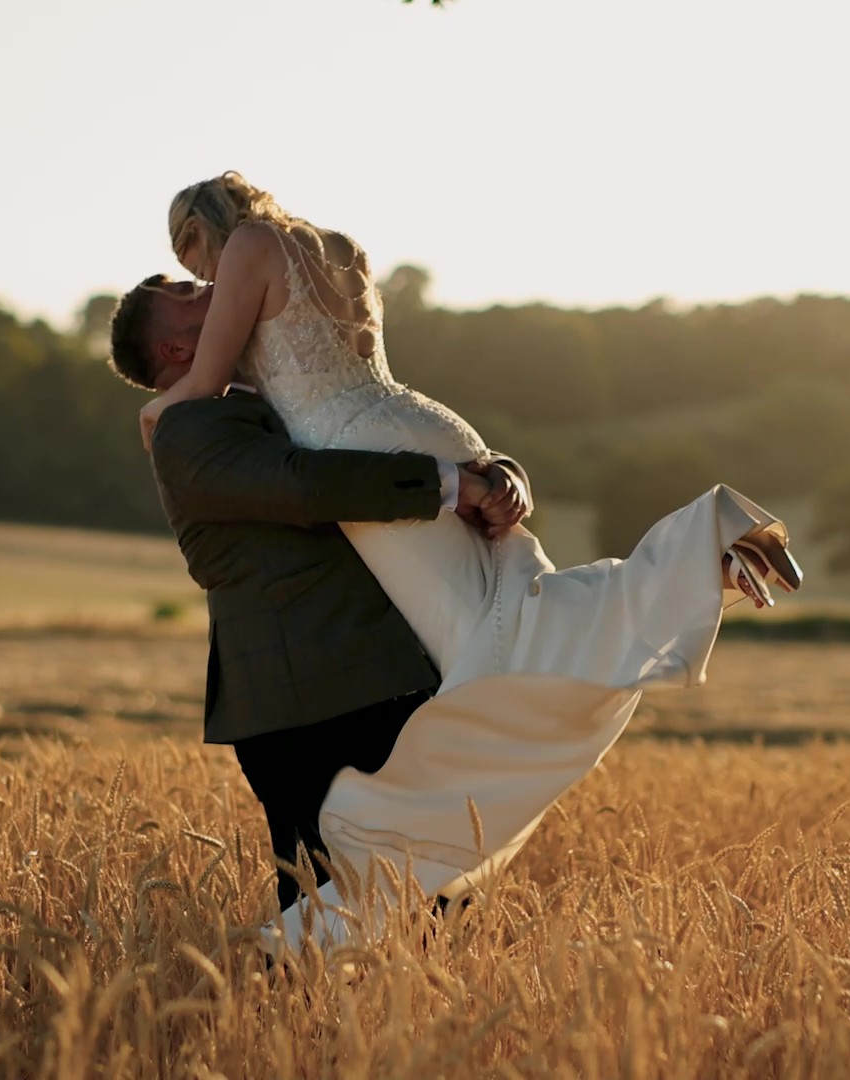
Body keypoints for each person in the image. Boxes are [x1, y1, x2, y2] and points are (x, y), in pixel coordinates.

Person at [125, 172, 802, 952]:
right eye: (187, 280)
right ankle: (703, 556)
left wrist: (156, 407)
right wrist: (485, 472)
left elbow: (229, 406)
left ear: (207, 228)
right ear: (170, 342)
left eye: (189, 259)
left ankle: (697, 553)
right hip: (422, 423)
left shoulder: (242, 273)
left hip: (370, 460)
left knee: (489, 645)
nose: (203, 279)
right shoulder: (337, 249)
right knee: (522, 600)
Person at [110, 278, 533, 919]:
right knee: (327, 901)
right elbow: (302, 486)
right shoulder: (184, 430)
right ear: (173, 347)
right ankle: (305, 1020)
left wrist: (498, 474)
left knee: (436, 888)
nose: (217, 289)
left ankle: (415, 1016)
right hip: (304, 699)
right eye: (192, 294)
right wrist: (452, 485)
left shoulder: (278, 387)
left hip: (380, 675)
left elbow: (377, 434)